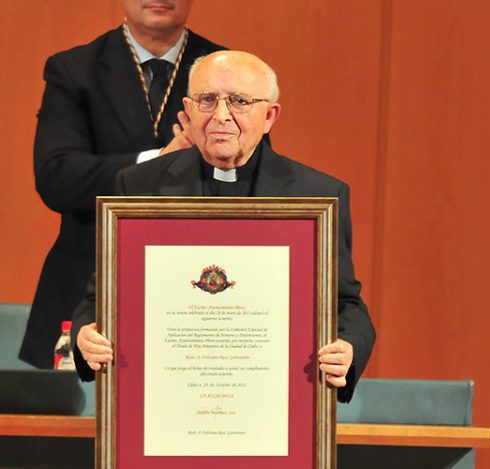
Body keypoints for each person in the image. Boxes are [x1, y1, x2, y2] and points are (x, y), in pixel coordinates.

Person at [72, 51, 376, 402]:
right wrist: (86, 335)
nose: (221, 115)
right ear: (188, 109)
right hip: (169, 398)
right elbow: (101, 299)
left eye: (239, 101)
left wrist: (348, 348)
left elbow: (346, 303)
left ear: (269, 116)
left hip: (269, 400)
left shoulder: (318, 196)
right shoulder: (139, 186)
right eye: (207, 100)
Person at [21, 0, 225, 368]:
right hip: (89, 277)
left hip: (194, 285)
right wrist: (158, 162)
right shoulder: (74, 69)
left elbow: (255, 182)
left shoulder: (227, 68)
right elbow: (58, 178)